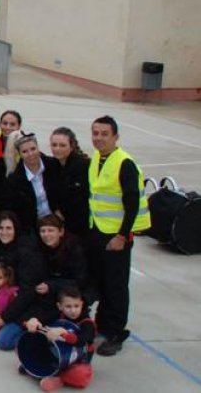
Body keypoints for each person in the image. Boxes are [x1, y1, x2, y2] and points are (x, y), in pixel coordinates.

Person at [86, 116, 150, 356]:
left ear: (115, 137)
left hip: (116, 235)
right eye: (95, 133)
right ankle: (103, 326)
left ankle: (116, 333)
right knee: (101, 282)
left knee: (116, 286)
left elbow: (132, 201)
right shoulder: (97, 158)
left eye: (104, 134)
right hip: (99, 230)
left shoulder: (124, 163)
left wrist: (123, 235)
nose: (98, 138)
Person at [20, 286, 96, 390]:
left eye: (76, 306)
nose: (73, 310)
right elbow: (41, 320)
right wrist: (33, 321)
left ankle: (58, 377)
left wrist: (64, 334)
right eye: (68, 306)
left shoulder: (87, 323)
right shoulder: (58, 314)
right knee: (25, 345)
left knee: (81, 376)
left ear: (82, 304)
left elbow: (82, 340)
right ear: (60, 306)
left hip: (78, 360)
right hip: (55, 354)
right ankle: (42, 369)